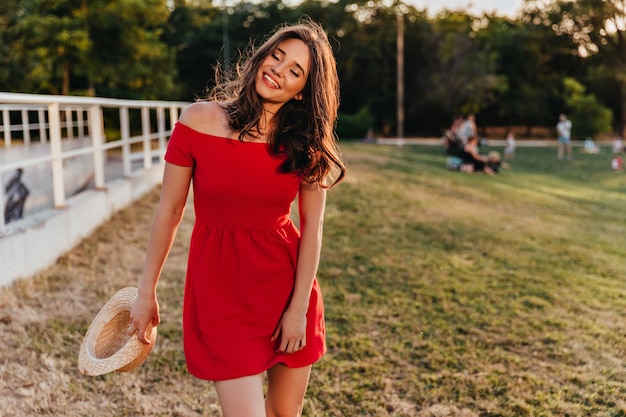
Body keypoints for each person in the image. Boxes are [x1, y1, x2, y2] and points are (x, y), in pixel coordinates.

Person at [128, 19, 346, 417]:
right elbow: (170, 210)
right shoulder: (198, 120)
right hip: (221, 291)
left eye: (295, 70)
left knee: (284, 413)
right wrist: (147, 291)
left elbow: (312, 227)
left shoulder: (305, 145)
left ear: (302, 92)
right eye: (276, 56)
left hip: (287, 290)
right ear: (261, 56)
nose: (278, 70)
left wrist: (297, 309)